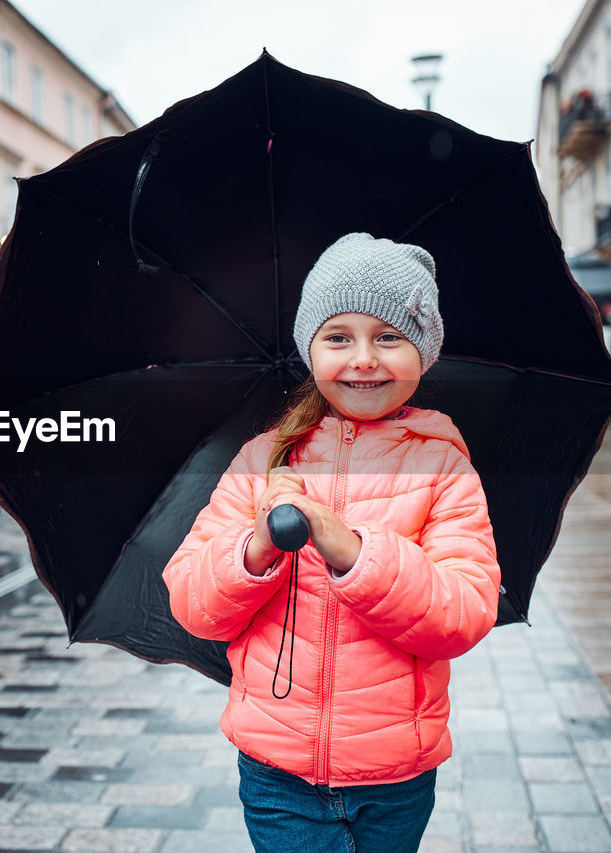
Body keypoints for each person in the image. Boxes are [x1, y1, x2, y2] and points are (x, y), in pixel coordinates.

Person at [163, 232, 500, 852]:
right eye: (338, 337)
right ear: (309, 349)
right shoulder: (262, 459)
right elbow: (192, 603)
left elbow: (463, 612)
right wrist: (256, 546)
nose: (364, 358)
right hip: (277, 771)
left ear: (422, 352)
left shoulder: (444, 468)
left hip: (395, 776)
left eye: (389, 337)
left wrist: (351, 549)